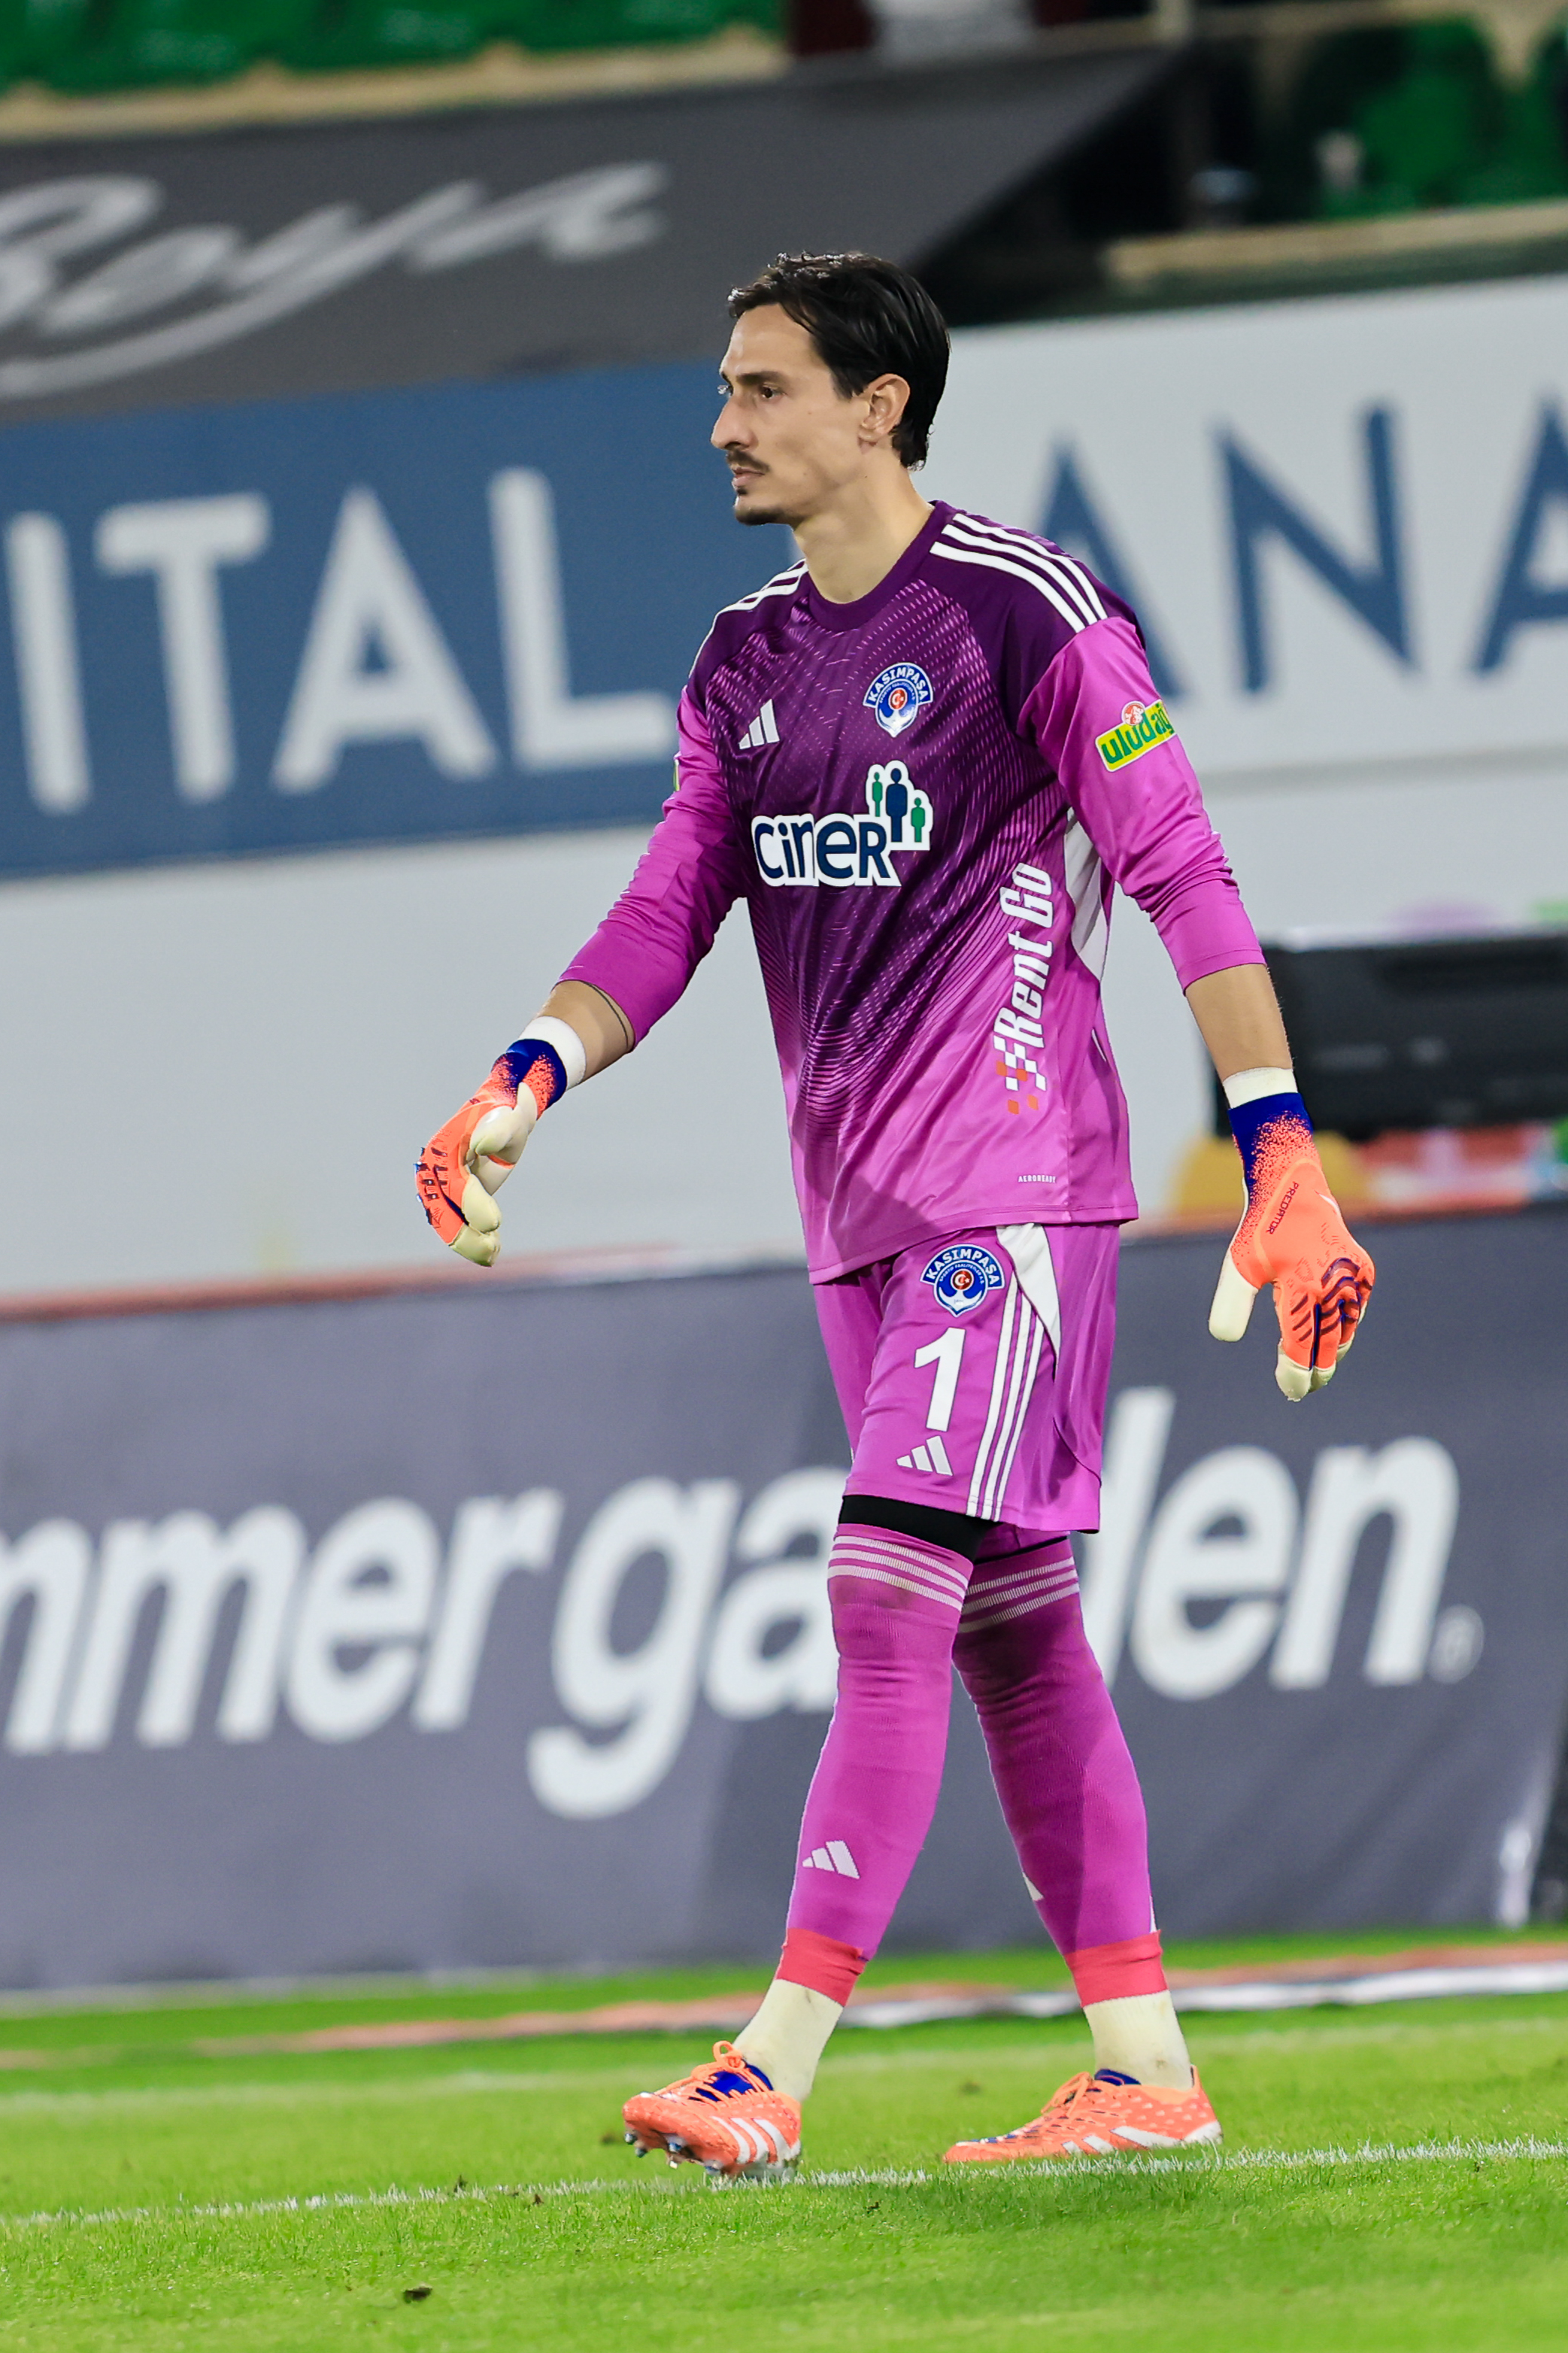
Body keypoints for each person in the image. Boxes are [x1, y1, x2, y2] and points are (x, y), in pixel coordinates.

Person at [416, 252, 1374, 2177]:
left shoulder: (1028, 611)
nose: (723, 426)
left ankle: (769, 2063)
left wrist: (1279, 1142)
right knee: (1014, 1628)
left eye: (761, 387)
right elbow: (672, 903)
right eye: (724, 387)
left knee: (882, 1585)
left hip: (1011, 1195)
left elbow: (1182, 869)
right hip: (857, 1219)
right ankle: (1146, 2067)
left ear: (881, 406)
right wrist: (530, 1066)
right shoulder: (743, 664)